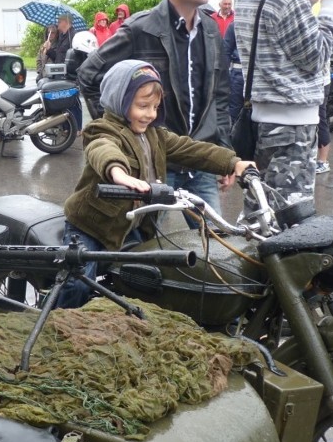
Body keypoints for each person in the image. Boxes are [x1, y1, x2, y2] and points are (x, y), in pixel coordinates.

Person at [58, 59, 255, 308]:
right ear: (120, 100)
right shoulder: (102, 129)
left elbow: (192, 149)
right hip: (90, 227)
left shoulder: (155, 135)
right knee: (78, 283)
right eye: (143, 106)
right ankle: (58, 325)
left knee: (147, 279)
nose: (150, 114)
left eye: (155, 106)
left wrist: (233, 163)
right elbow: (102, 149)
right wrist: (118, 174)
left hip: (131, 227)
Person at [78, 0, 232, 226]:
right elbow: (89, 75)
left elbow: (220, 97)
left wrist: (224, 154)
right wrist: (124, 135)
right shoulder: (141, 28)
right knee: (145, 253)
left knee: (220, 252)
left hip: (200, 161)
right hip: (156, 162)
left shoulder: (211, 29)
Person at [234, 0, 333, 217]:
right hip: (293, 124)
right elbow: (317, 57)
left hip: (262, 119)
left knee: (260, 208)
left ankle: (247, 262)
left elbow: (276, 38)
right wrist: (330, 3)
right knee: (290, 216)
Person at [224, 21, 244, 123]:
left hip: (243, 73)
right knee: (235, 110)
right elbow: (226, 51)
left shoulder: (234, 25)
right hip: (238, 72)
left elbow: (226, 50)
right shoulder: (234, 25)